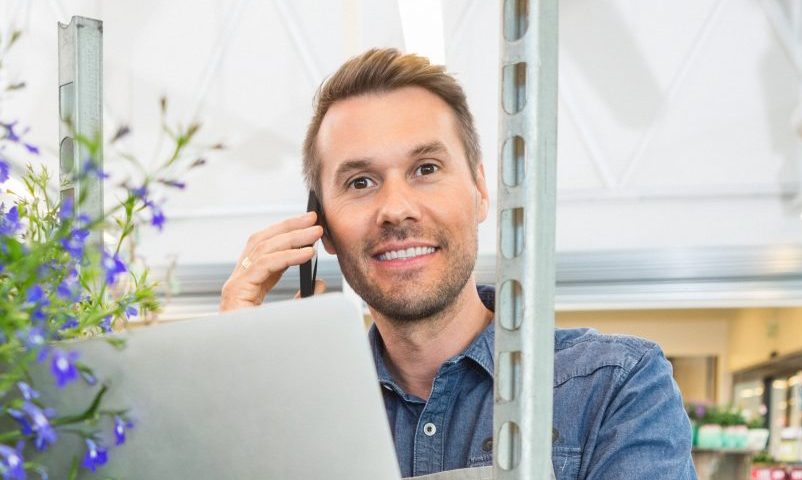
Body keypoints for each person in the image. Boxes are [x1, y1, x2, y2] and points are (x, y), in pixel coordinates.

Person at [218, 48, 696, 479]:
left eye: (426, 169)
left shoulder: (615, 387)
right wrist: (240, 382)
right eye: (360, 182)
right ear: (320, 224)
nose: (396, 209)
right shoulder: (299, 412)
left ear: (481, 191)